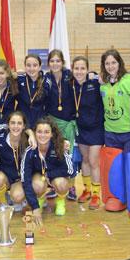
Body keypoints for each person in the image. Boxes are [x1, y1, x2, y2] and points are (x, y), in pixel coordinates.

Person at [99, 49, 130, 221]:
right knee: (115, 167)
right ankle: (117, 197)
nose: (111, 66)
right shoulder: (103, 83)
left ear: (119, 63)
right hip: (111, 133)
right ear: (103, 66)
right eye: (107, 63)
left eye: (114, 62)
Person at [20, 116, 75, 225]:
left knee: (62, 184)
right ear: (34, 133)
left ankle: (60, 200)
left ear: (52, 134)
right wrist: (34, 207)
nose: (43, 135)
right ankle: (39, 200)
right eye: (39, 132)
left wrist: (49, 175)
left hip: (55, 175)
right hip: (39, 176)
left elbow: (70, 170)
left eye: (46, 132)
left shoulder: (60, 146)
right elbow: (25, 180)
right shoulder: (30, 151)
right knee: (36, 184)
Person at [44, 49, 78, 201]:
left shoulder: (70, 77)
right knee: (53, 153)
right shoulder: (45, 79)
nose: (55, 64)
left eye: (58, 61)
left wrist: (93, 75)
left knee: (69, 154)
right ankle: (52, 185)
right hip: (52, 122)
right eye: (52, 61)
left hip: (68, 122)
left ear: (62, 62)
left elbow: (85, 79)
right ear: (48, 63)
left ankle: (71, 186)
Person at [71, 56, 104, 210]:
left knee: (93, 161)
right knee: (84, 159)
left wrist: (96, 75)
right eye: (76, 68)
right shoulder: (70, 85)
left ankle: (97, 194)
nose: (79, 71)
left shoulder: (95, 83)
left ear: (87, 69)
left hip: (96, 128)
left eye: (82, 68)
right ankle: (87, 190)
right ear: (72, 70)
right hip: (81, 129)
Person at [0, 111, 37, 216]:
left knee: (17, 196)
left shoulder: (29, 140)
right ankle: (4, 202)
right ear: (8, 125)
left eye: (19, 123)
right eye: (12, 123)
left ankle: (25, 197)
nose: (16, 126)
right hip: (7, 175)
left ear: (24, 126)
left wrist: (31, 134)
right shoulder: (0, 137)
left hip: (23, 177)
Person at [16, 54, 47, 129]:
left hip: (39, 125)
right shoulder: (18, 80)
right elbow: (0, 77)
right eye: (28, 65)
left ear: (40, 67)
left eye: (35, 65)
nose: (31, 68)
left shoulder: (46, 81)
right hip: (21, 124)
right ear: (25, 67)